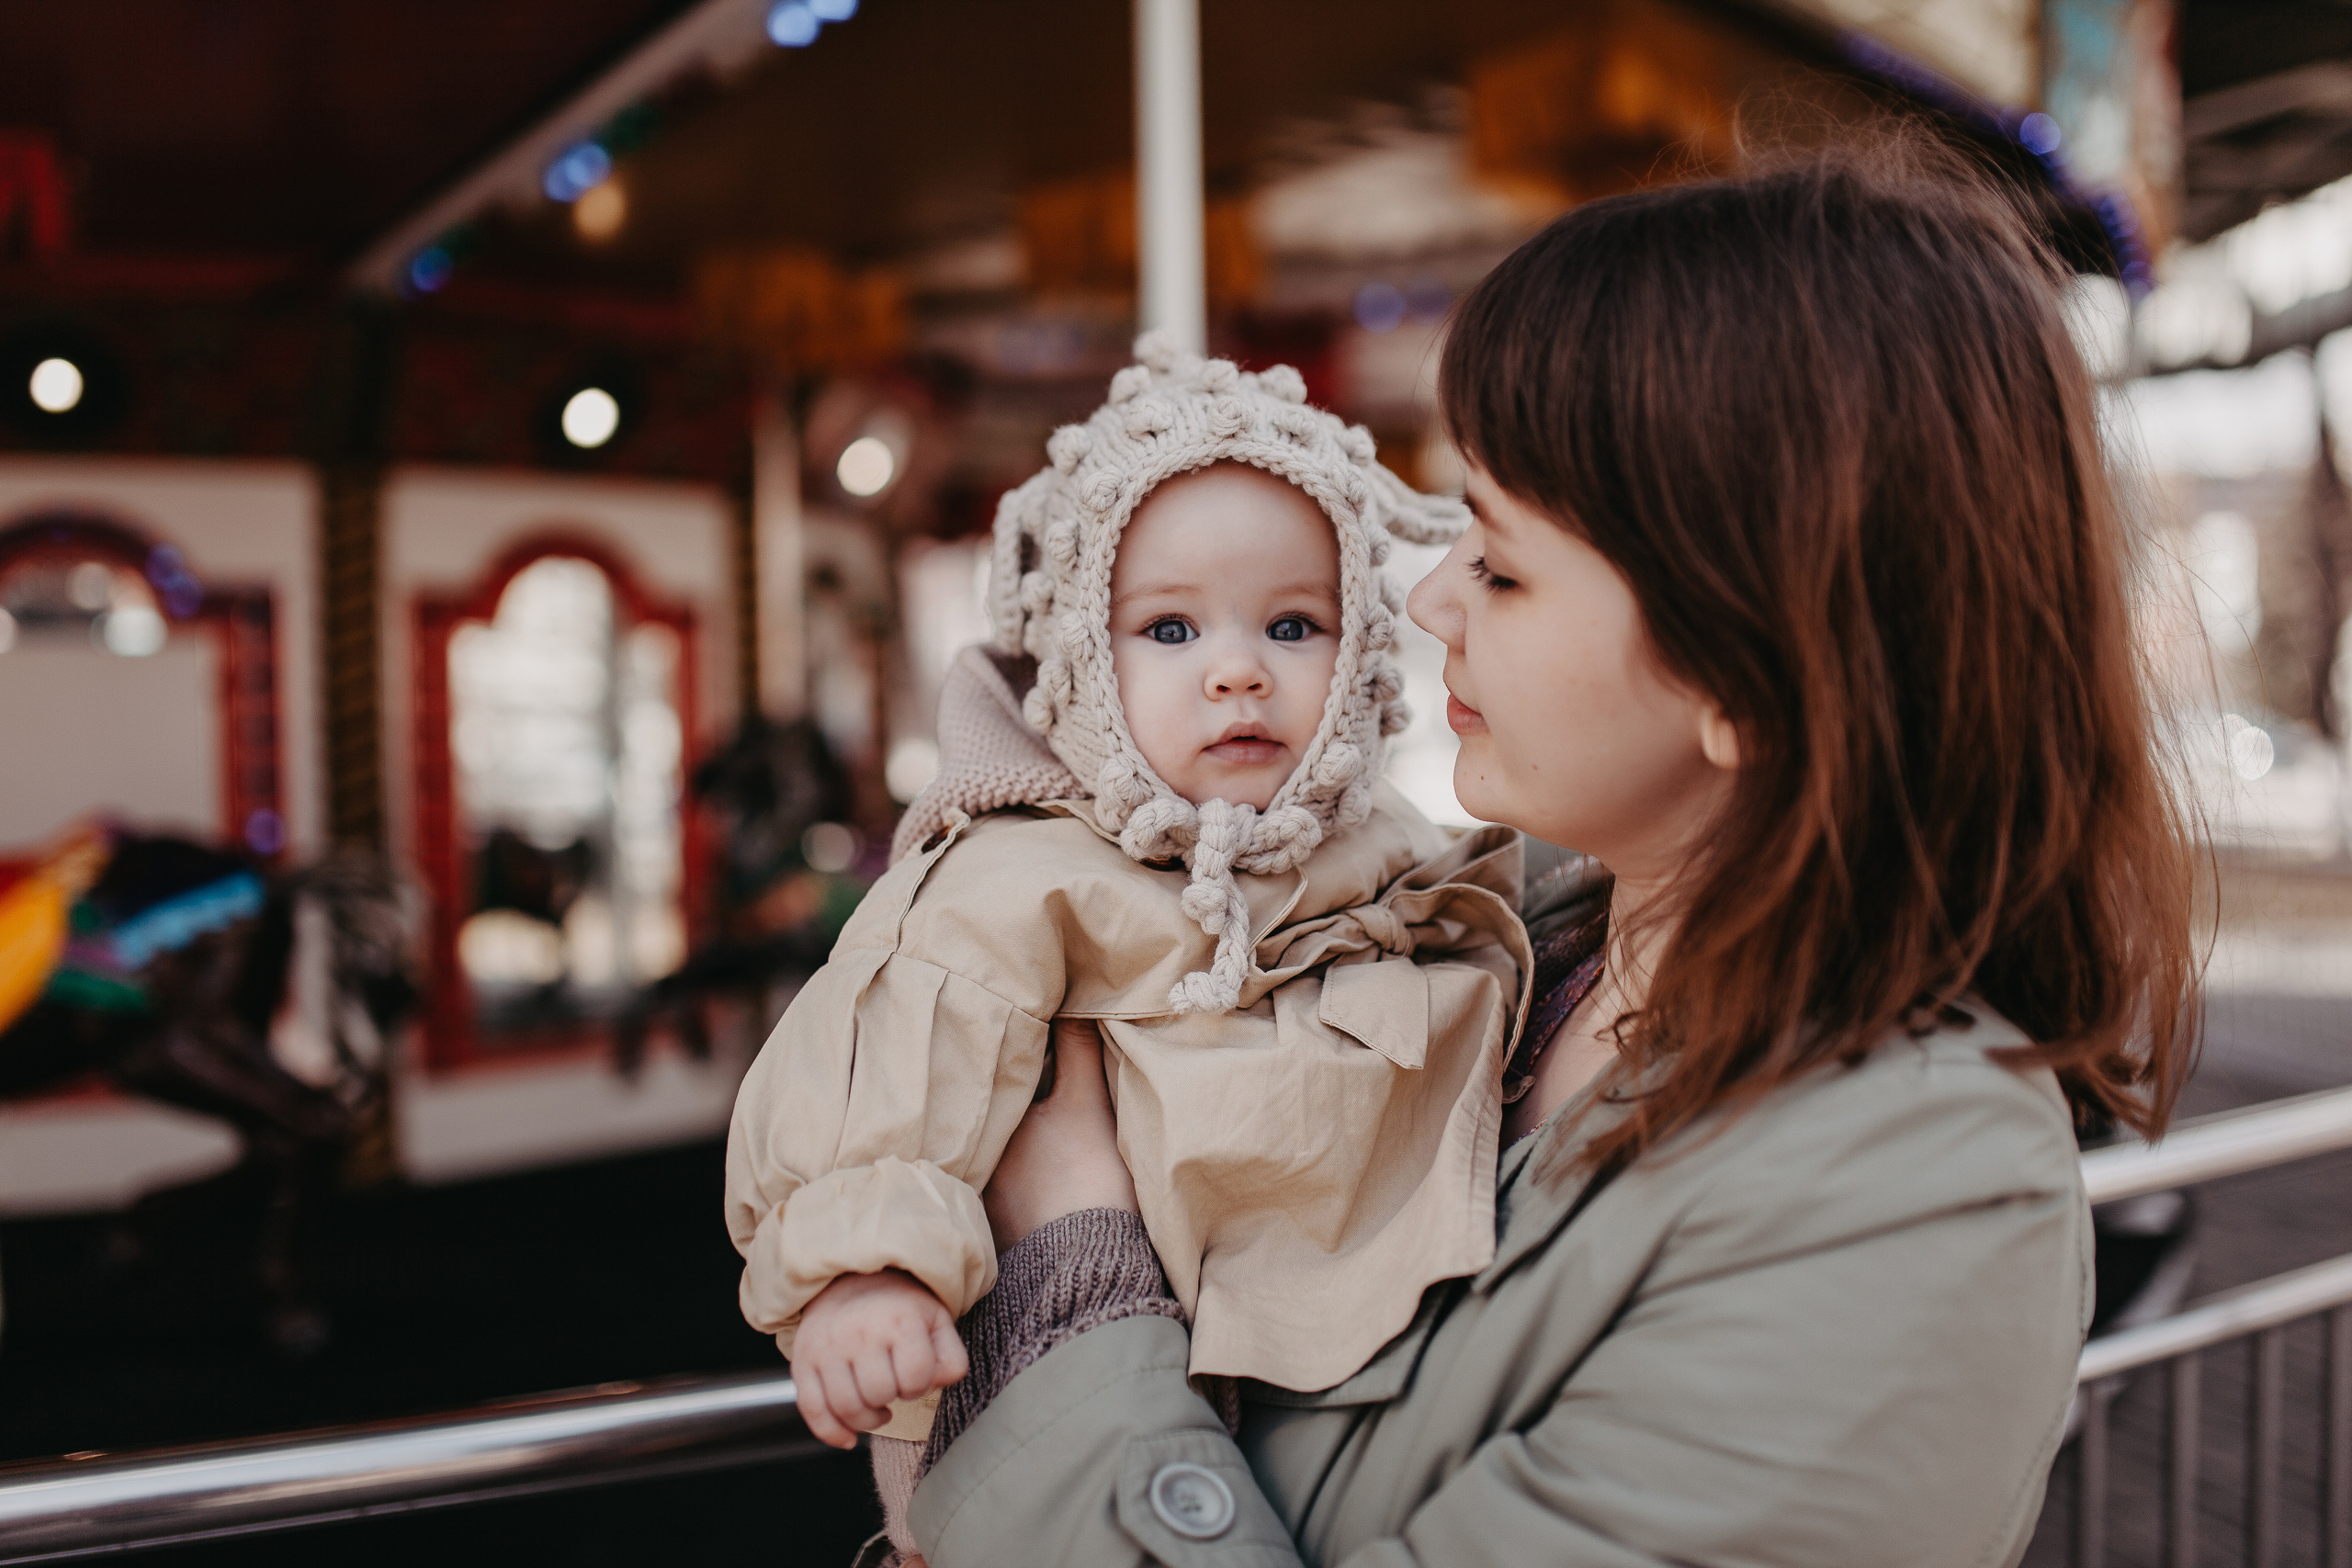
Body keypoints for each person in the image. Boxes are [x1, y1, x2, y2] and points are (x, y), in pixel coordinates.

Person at [888, 146, 2199, 1567]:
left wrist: (1072, 1268)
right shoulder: (1503, 943)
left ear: (1746, 673)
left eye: (1504, 564)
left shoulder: (1917, 1205)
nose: (1435, 600)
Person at [724, 338, 1532, 1562]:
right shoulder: (1023, 872)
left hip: (1294, 1335)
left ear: (1361, 642)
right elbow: (890, 1056)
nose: (1237, 673)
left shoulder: (1381, 839)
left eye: (1294, 624)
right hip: (1070, 1344)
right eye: (1167, 630)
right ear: (1078, 666)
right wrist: (864, 1274)